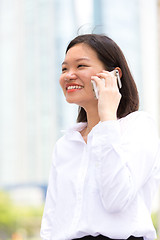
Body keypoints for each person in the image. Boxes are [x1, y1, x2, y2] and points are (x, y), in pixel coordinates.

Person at [40, 34, 160, 240]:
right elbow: (52, 220)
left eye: (81, 66)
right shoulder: (65, 144)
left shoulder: (138, 126)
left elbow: (116, 198)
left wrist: (107, 118)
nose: (69, 75)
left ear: (114, 74)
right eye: (64, 68)